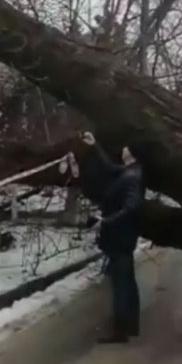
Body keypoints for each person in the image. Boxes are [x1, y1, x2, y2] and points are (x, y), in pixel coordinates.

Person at [75, 132, 145, 344]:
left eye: (125, 147)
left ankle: (120, 331)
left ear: (130, 153)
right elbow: (110, 169)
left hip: (120, 239)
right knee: (127, 281)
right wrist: (95, 146)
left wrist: (105, 221)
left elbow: (131, 208)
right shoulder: (131, 171)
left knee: (121, 284)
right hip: (122, 237)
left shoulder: (132, 178)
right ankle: (130, 325)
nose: (122, 149)